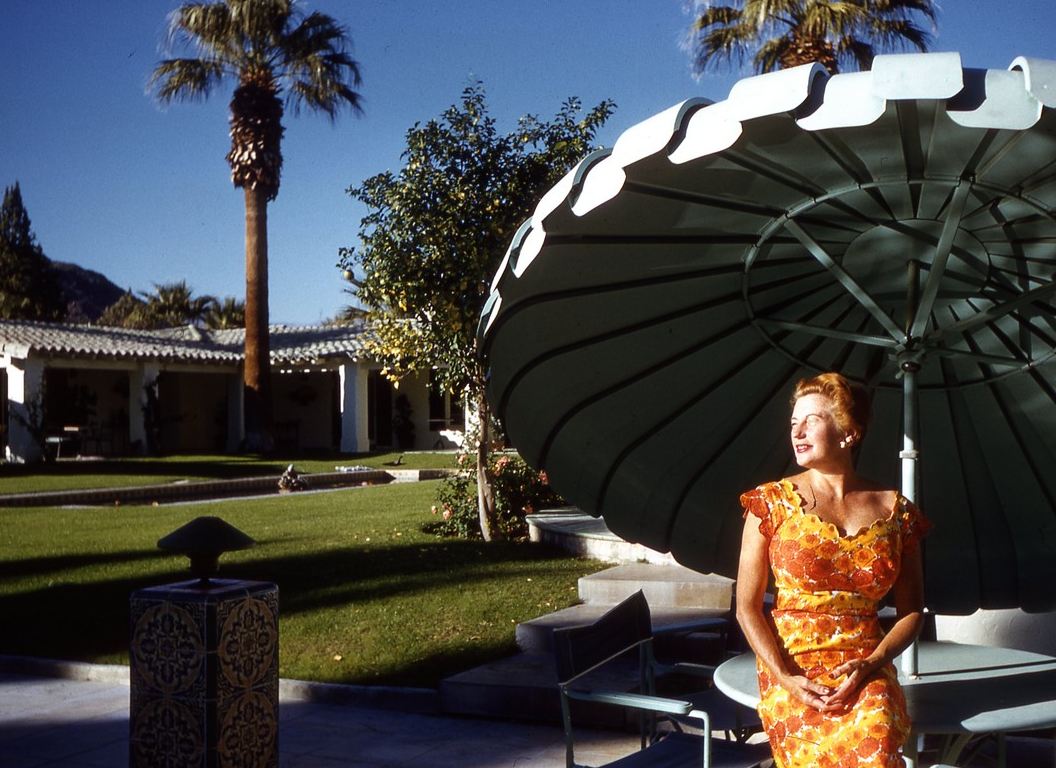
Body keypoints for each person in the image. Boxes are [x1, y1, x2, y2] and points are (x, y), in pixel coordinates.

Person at [736, 372, 930, 768]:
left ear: (849, 433)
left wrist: (872, 663)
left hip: (864, 668)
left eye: (812, 420)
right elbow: (746, 608)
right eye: (794, 422)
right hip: (793, 668)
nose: (798, 431)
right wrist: (784, 678)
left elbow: (912, 612)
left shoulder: (898, 512)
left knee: (877, 737)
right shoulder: (771, 503)